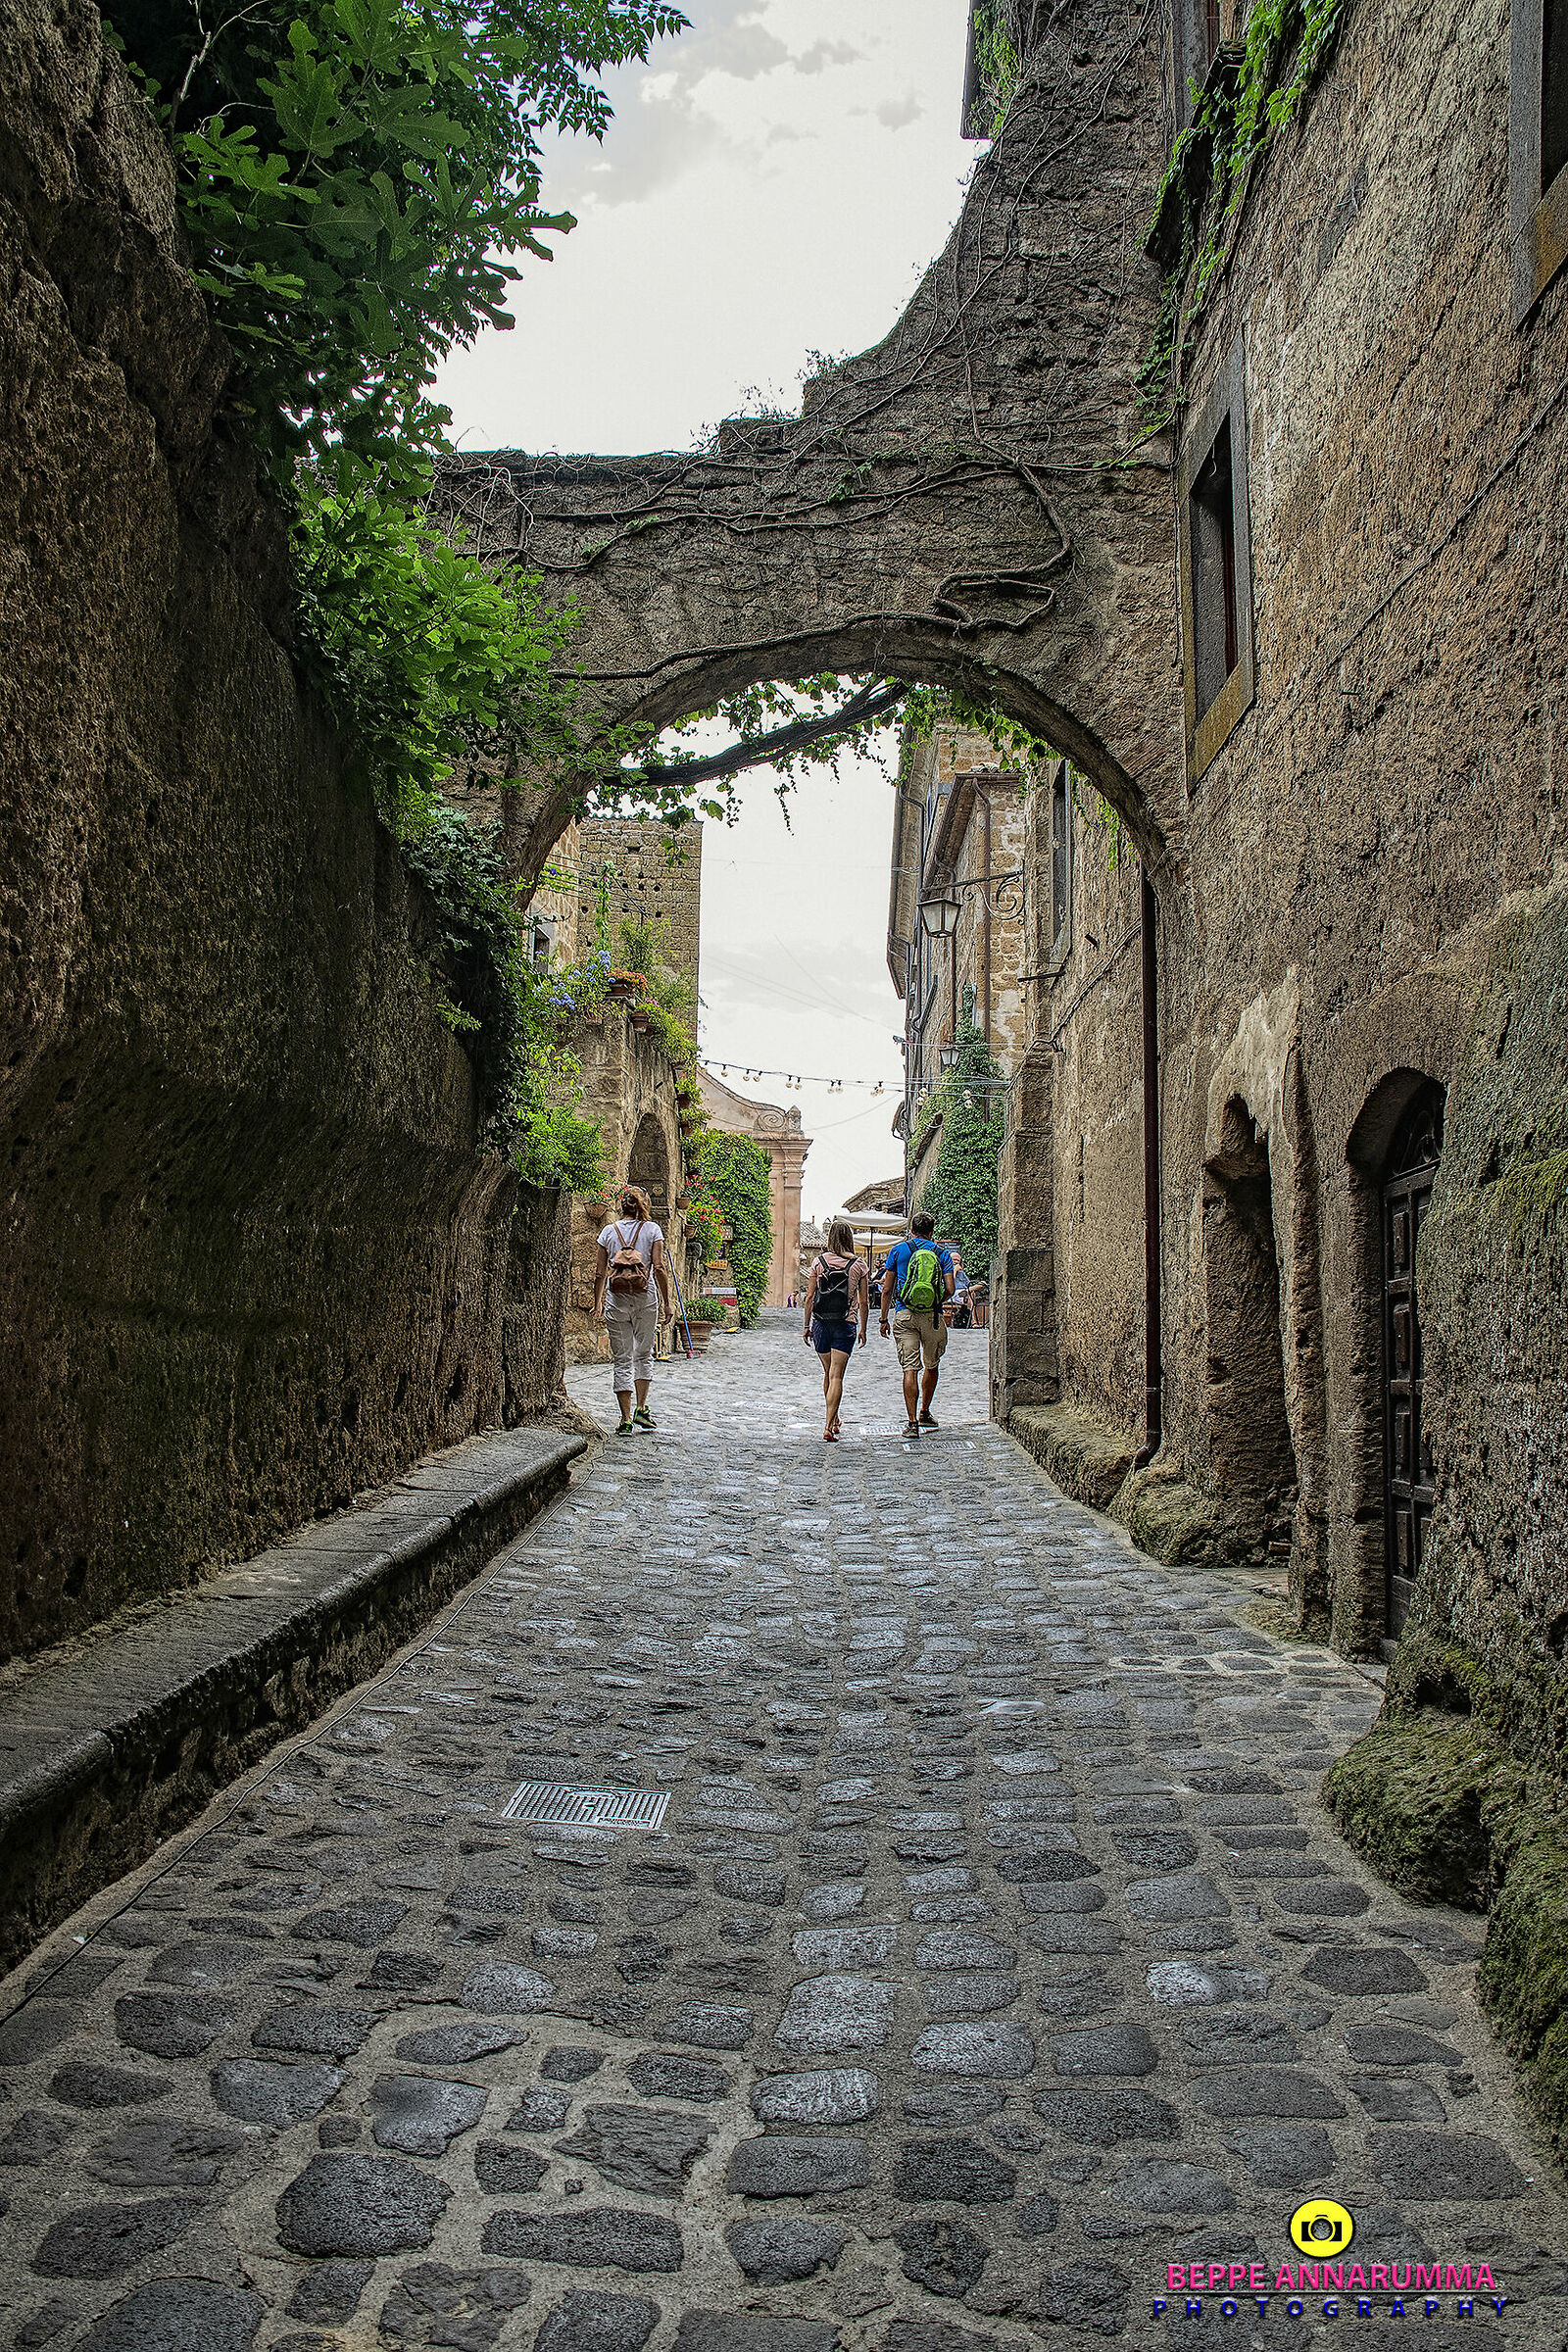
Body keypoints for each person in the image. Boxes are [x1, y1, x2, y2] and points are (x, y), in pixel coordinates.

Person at [593, 1185, 673, 1435]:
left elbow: (599, 1272)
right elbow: (658, 1267)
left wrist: (598, 1301)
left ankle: (625, 1419)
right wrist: (667, 1301)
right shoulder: (652, 1230)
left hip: (616, 1299)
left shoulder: (608, 1231)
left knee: (622, 1358)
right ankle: (641, 1407)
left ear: (622, 1207)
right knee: (643, 1354)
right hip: (645, 1297)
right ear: (644, 1206)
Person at [877, 1209, 955, 1438]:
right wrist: (933, 1301)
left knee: (909, 1368)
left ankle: (911, 1423)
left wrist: (883, 1318)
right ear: (932, 1232)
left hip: (905, 1314)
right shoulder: (942, 1253)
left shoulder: (898, 1251)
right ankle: (924, 1411)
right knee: (931, 1364)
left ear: (911, 1230)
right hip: (932, 1316)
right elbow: (950, 1289)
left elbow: (887, 1289)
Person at [803, 1217, 868, 1441]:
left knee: (828, 1374)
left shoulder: (819, 1262)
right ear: (849, 1239)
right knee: (837, 1376)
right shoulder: (859, 1265)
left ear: (830, 1237)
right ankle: (829, 1426)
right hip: (845, 1324)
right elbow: (865, 1301)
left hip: (821, 1323)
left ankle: (834, 1417)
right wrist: (864, 1328)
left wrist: (806, 1325)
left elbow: (810, 1296)